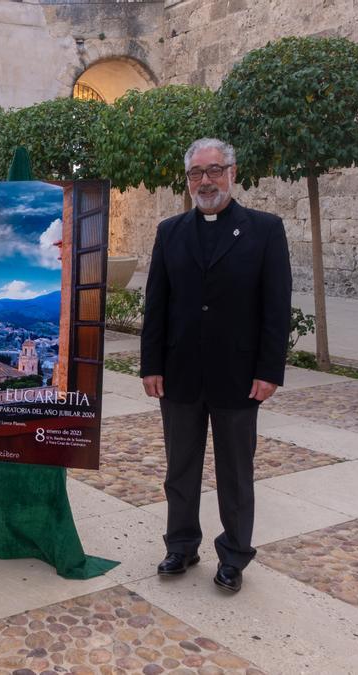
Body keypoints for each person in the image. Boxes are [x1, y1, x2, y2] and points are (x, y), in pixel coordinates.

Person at [140, 138, 291, 593]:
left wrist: (269, 371)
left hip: (239, 377)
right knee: (180, 468)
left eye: (214, 170)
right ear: (187, 180)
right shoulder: (170, 231)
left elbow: (275, 307)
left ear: (232, 173)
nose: (205, 181)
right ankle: (181, 545)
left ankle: (234, 555)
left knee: (235, 473)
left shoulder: (265, 230)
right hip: (180, 373)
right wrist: (151, 365)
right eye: (195, 173)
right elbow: (157, 305)